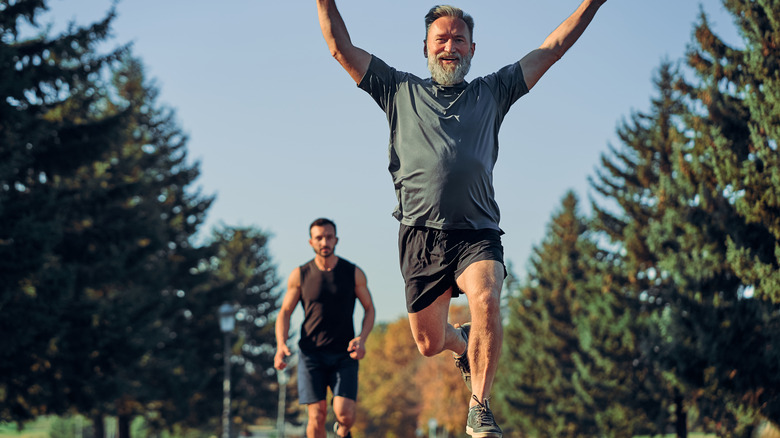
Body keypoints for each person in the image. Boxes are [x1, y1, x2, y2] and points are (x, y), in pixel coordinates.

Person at [315, 1, 606, 436]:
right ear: (427, 48)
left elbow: (553, 48)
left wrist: (592, 3)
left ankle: (480, 406)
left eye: (458, 39)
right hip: (420, 234)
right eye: (441, 39)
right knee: (430, 343)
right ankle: (461, 341)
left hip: (478, 231)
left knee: (487, 298)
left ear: (472, 48)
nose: (450, 46)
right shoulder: (397, 89)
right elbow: (341, 49)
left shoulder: (494, 90)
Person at [275, 218, 375, 438]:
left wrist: (362, 338)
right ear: (311, 242)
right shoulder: (300, 275)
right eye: (319, 237)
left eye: (329, 237)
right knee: (317, 414)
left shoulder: (352, 272)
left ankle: (343, 431)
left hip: (344, 354)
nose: (324, 242)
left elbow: (369, 309)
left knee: (345, 414)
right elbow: (285, 312)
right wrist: (281, 345)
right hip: (311, 354)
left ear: (336, 239)